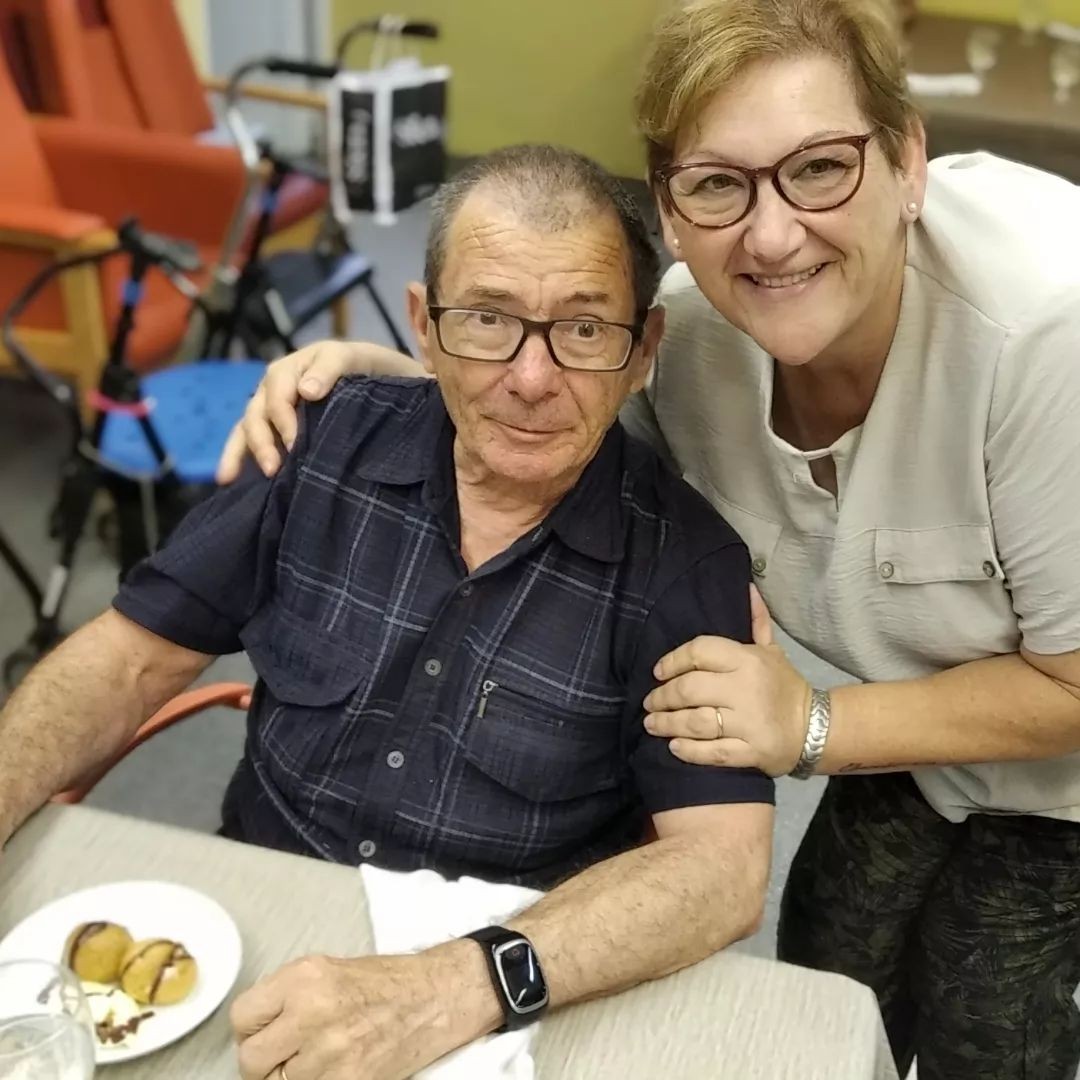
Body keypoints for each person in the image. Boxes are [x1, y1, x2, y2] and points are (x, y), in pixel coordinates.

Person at [221, 2, 1080, 1078]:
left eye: (820, 168)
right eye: (717, 184)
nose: (771, 235)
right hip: (915, 727)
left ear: (909, 161)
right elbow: (562, 418)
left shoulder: (1047, 335)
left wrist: (813, 724)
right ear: (670, 208)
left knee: (993, 1025)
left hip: (1060, 772)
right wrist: (411, 375)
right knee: (829, 984)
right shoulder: (688, 334)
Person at [0, 144, 774, 1080]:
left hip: (502, 982)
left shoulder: (684, 565)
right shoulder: (320, 441)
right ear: (423, 327)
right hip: (254, 921)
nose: (531, 377)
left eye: (582, 329)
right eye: (487, 320)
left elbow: (721, 869)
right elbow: (127, 660)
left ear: (642, 351)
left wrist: (452, 987)